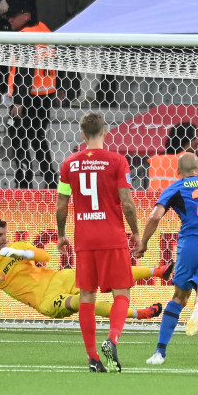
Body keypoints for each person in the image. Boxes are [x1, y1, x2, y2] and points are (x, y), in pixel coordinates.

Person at [0, 219, 171, 333]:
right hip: (46, 300)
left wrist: (20, 253)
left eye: (4, 234)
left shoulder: (16, 248)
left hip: (59, 278)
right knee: (83, 301)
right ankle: (139, 314)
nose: (3, 239)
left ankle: (158, 271)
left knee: (103, 273)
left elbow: (45, 256)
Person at [56, 112, 142, 373]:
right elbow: (126, 202)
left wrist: (61, 234)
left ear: (82, 134)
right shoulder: (117, 161)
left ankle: (93, 358)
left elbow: (62, 205)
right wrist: (136, 233)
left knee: (87, 295)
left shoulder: (69, 164)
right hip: (111, 234)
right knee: (122, 292)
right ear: (105, 132)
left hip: (84, 237)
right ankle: (112, 339)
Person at [135, 152, 198, 365]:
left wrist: (143, 242)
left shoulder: (177, 186)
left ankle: (159, 353)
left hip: (190, 244)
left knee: (179, 298)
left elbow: (155, 216)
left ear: (178, 172)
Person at [5, 0, 58, 189]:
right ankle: (51, 181)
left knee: (20, 141)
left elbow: (25, 71)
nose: (9, 19)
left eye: (13, 15)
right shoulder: (44, 29)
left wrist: (18, 101)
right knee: (39, 141)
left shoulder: (25, 36)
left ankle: (24, 183)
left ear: (26, 15)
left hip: (28, 99)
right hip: (45, 95)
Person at [147, 122, 198, 191]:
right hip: (183, 200)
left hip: (156, 201)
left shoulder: (156, 160)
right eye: (194, 138)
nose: (197, 142)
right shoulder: (192, 160)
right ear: (185, 139)